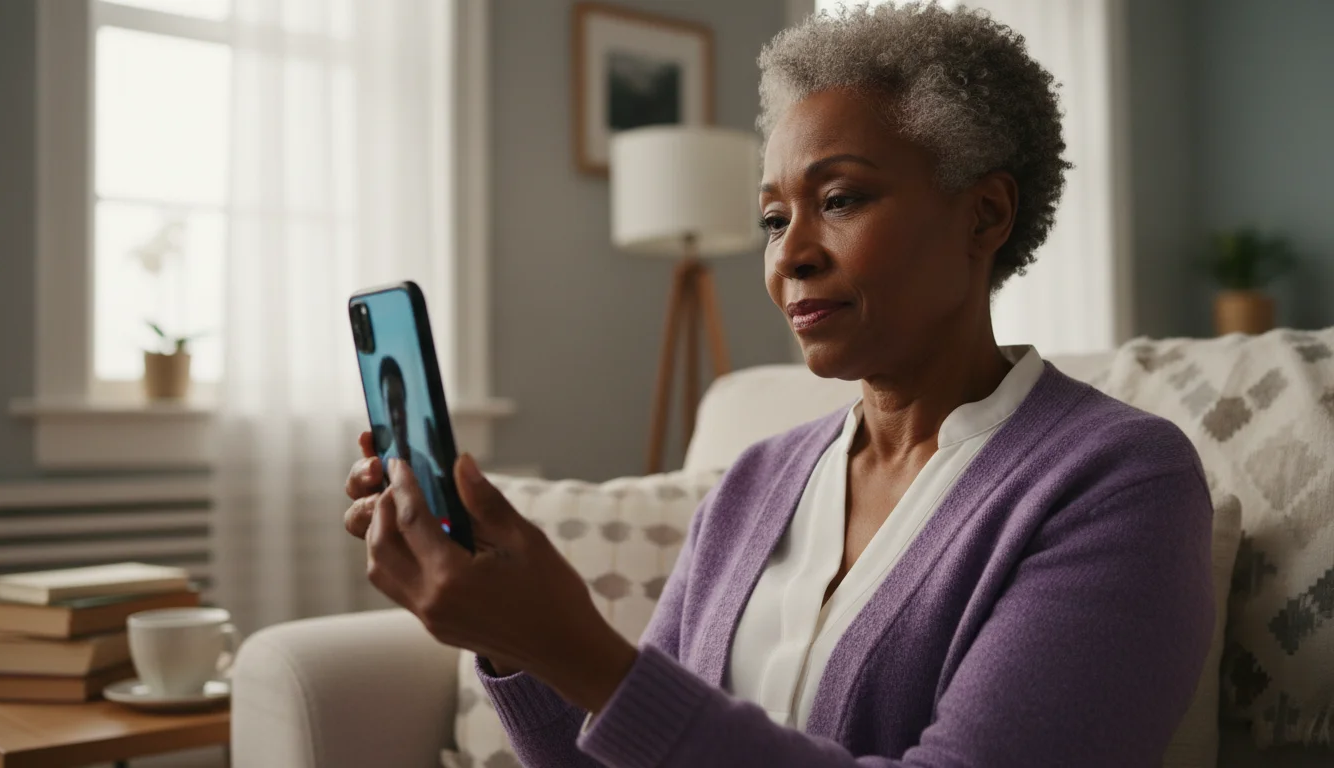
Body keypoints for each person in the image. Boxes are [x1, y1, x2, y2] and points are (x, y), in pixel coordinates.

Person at [342, 4, 1213, 766]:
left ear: (985, 214)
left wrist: (577, 649)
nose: (789, 254)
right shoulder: (756, 484)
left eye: (840, 200)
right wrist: (514, 640)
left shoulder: (1118, 480)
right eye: (772, 217)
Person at [375, 356, 445, 526]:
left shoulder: (424, 465)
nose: (397, 415)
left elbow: (443, 518)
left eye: (399, 402)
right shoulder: (381, 470)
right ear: (383, 410)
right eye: (390, 404)